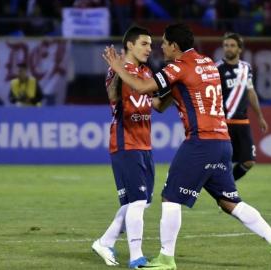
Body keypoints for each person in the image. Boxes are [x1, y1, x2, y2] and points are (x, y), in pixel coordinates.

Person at [103, 23, 271, 269]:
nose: (160, 47)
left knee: (170, 198)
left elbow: (141, 87)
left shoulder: (178, 66)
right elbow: (161, 104)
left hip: (201, 141)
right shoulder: (207, 63)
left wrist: (118, 67)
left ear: (174, 46)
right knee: (230, 202)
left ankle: (166, 259)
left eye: (163, 43)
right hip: (222, 141)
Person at [91, 26, 171, 268]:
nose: (150, 48)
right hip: (125, 142)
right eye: (144, 44)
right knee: (136, 202)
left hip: (144, 143)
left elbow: (157, 105)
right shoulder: (117, 70)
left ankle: (105, 242)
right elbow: (113, 97)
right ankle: (136, 257)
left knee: (140, 203)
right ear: (130, 46)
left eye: (150, 44)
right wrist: (116, 70)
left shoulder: (145, 72)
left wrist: (174, 91)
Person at [216, 32, 268, 182]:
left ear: (240, 49)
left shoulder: (247, 68)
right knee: (220, 163)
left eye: (232, 45)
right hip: (223, 123)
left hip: (242, 122)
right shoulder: (217, 68)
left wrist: (260, 117)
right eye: (226, 45)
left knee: (249, 161)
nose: (228, 49)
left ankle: (226, 187)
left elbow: (250, 92)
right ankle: (225, 192)